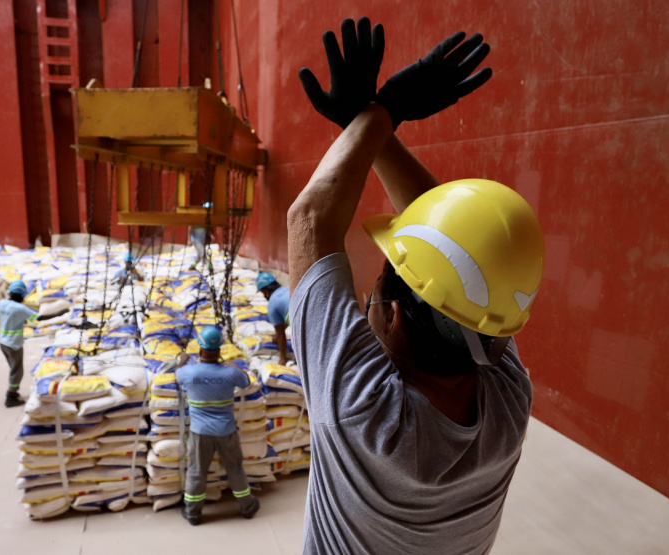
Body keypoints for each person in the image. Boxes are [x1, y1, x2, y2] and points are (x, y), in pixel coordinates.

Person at [288, 17, 544, 553]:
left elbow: (309, 219)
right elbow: (465, 255)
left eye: (371, 298)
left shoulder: (365, 415)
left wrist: (379, 116)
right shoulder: (506, 398)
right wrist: (374, 124)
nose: (365, 305)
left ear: (397, 314)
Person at [175, 327, 261, 525]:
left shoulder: (188, 373)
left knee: (196, 472)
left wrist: (182, 359)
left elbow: (177, 374)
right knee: (235, 469)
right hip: (226, 431)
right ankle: (247, 506)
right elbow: (246, 382)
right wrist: (235, 366)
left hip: (200, 433)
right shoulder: (230, 373)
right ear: (220, 350)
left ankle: (193, 513)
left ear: (200, 350)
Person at [0, 280, 67, 408]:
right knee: (17, 370)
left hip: (2, 342)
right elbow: (39, 318)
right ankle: (11, 396)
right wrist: (60, 314)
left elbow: (1, 316)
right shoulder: (20, 308)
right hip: (13, 344)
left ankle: (13, 392)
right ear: (22, 296)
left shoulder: (2, 303)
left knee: (13, 368)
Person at [256, 272, 290, 365]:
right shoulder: (286, 289)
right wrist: (276, 336)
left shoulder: (272, 303)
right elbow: (288, 316)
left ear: (266, 292)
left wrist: (282, 358)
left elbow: (280, 333)